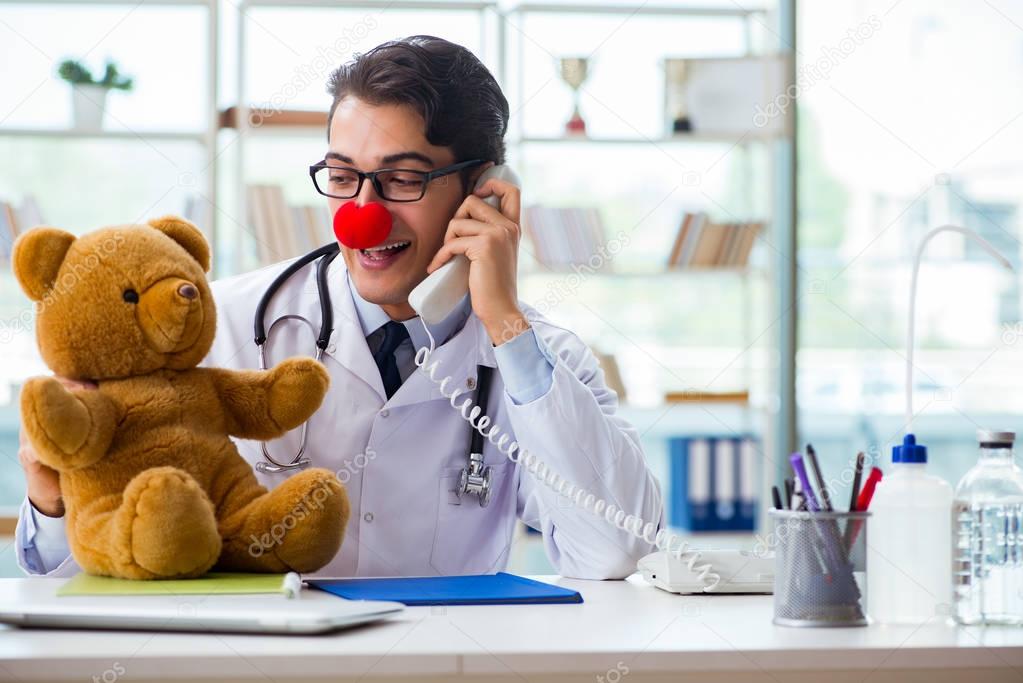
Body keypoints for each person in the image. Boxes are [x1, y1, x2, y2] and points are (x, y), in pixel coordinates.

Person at [16, 35, 664, 579]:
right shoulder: (212, 329)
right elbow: (94, 572)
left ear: (485, 192)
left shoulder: (537, 361)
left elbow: (611, 551)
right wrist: (52, 504)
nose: (363, 215)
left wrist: (502, 321)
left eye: (403, 177)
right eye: (344, 174)